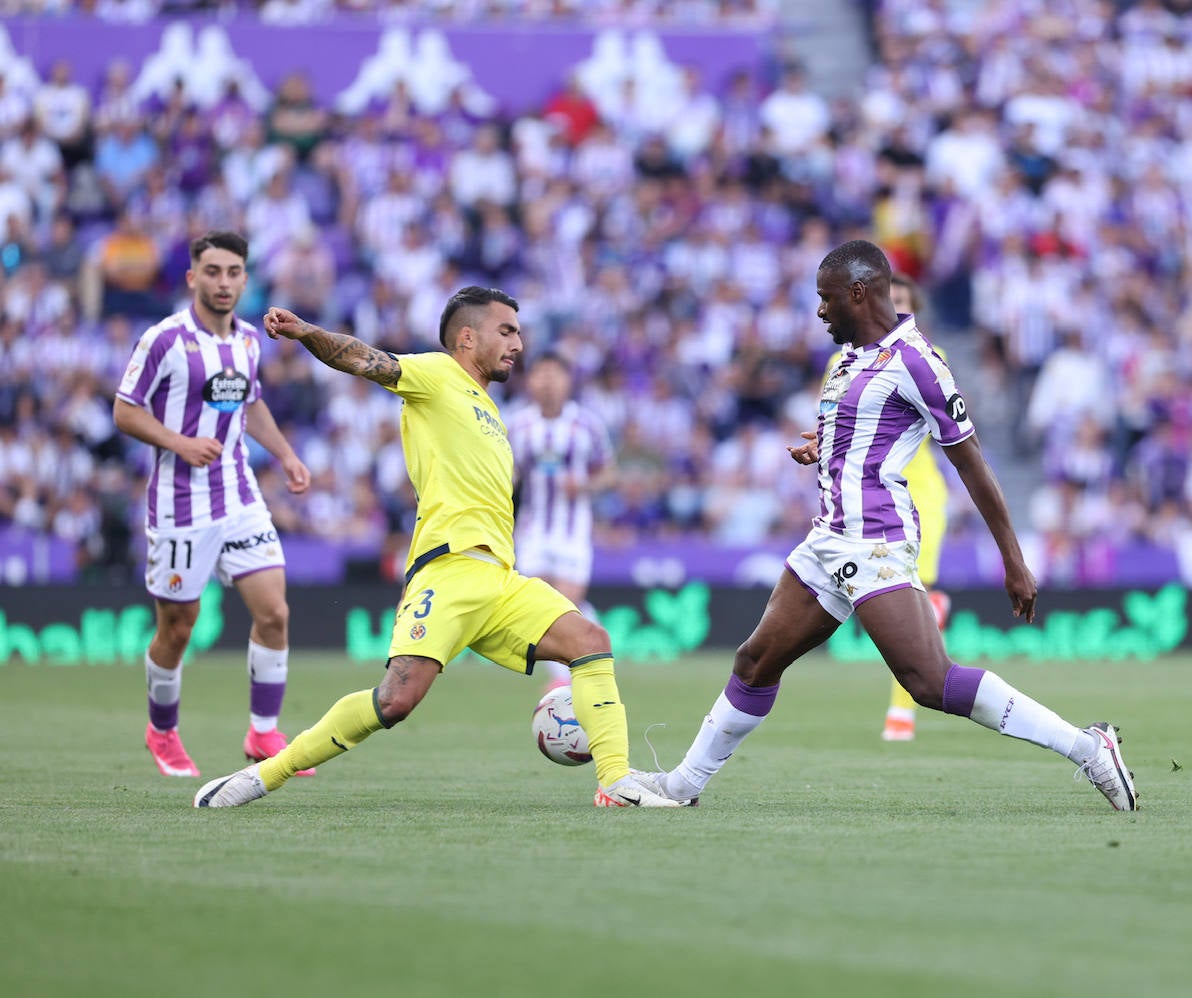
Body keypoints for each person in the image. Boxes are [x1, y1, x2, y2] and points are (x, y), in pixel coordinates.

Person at [636, 241, 1137, 811]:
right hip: (828, 536)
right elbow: (858, 438)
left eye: (826, 299)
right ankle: (682, 787)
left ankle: (1087, 747)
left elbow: (971, 462)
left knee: (930, 681)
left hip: (873, 538)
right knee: (755, 661)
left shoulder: (917, 361)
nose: (820, 312)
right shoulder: (851, 356)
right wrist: (820, 449)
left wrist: (1013, 558)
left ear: (858, 292)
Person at [193, 287, 682, 808]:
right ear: (467, 337)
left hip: (500, 581)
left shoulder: (491, 409)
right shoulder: (436, 374)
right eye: (507, 331)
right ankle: (265, 774)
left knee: (590, 638)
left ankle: (615, 780)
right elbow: (364, 360)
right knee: (395, 701)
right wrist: (308, 332)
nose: (518, 342)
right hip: (447, 572)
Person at [113, 230, 313, 779]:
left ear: (245, 279)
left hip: (239, 495)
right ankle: (162, 731)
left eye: (233, 273)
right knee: (179, 627)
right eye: (213, 272)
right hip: (179, 505)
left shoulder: (249, 340)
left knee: (274, 611)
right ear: (192, 278)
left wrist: (287, 455)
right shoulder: (164, 340)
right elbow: (125, 411)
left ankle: (263, 731)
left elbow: (251, 407)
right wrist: (179, 443)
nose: (223, 282)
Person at [507, 352, 617, 691]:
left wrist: (585, 485)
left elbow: (609, 473)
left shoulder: (586, 424)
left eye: (554, 373)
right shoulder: (518, 425)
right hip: (533, 528)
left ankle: (580, 667)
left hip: (573, 530)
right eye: (540, 373)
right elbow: (508, 472)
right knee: (540, 606)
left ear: (568, 381)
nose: (547, 380)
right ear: (530, 381)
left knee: (568, 602)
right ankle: (572, 673)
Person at [877, 273, 951, 741]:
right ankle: (934, 610)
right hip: (865, 494)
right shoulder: (842, 360)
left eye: (902, 302)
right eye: (889, 302)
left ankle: (900, 711)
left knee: (909, 599)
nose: (895, 310)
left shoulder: (928, 359)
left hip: (918, 493)